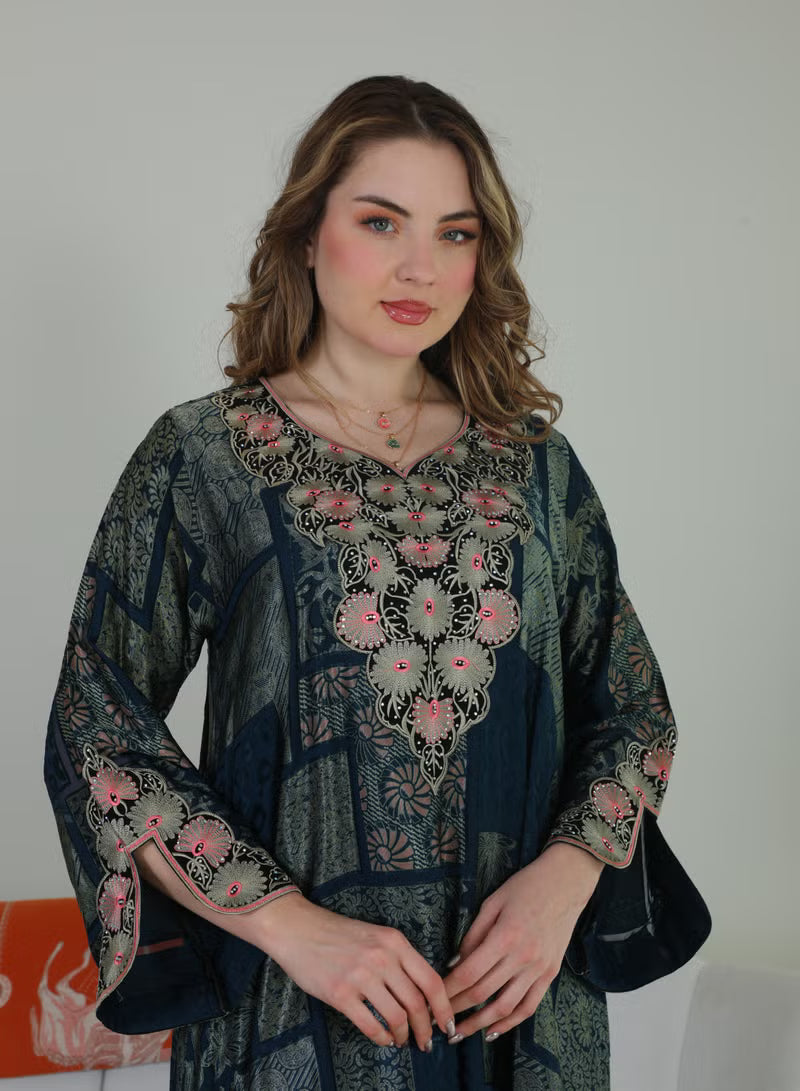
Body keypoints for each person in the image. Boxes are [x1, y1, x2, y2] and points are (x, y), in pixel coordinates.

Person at [43, 74, 711, 1091]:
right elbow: (94, 722)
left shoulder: (536, 467)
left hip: (518, 1006)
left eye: (454, 233)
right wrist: (291, 924)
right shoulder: (204, 457)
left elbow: (630, 708)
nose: (418, 266)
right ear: (307, 235)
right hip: (298, 1011)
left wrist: (565, 879)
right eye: (380, 221)